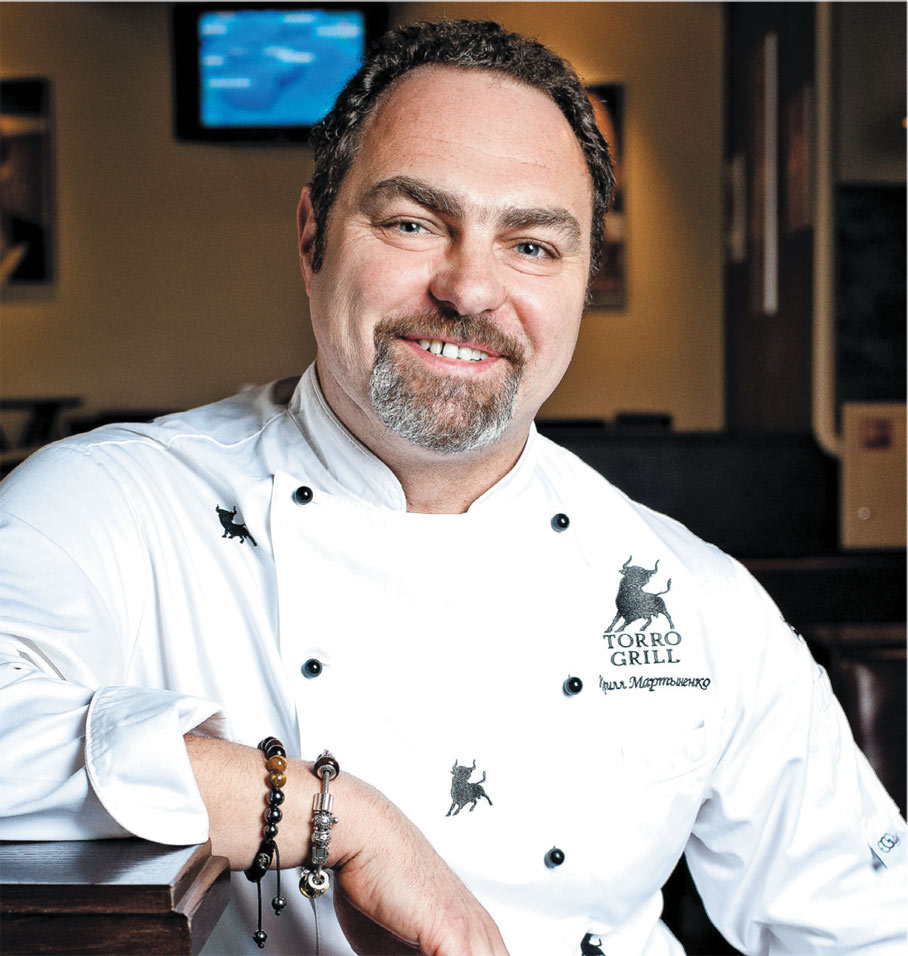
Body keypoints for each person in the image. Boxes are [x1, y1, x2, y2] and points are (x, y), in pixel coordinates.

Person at [0, 19, 904, 956]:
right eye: (413, 224)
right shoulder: (118, 506)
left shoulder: (696, 596)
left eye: (533, 245)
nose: (470, 290)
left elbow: (870, 928)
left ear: (583, 279)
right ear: (312, 236)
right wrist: (333, 818)